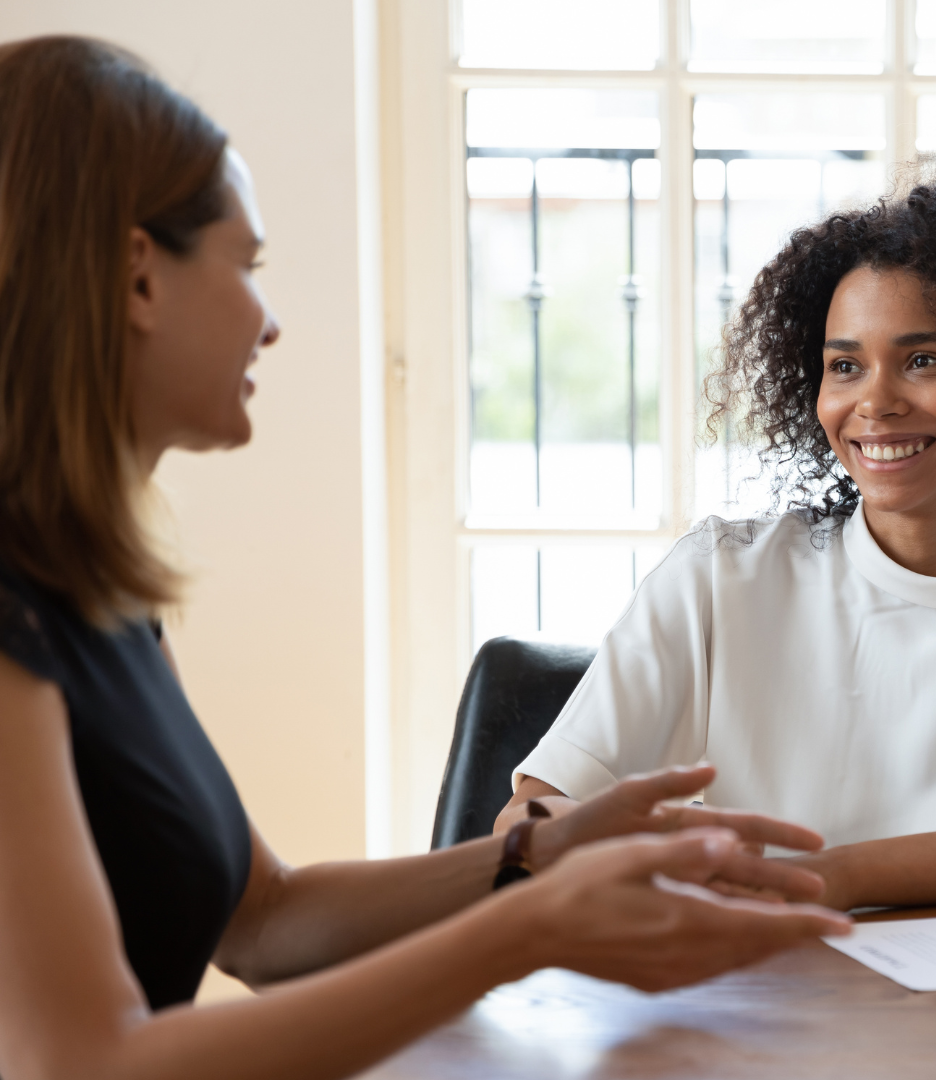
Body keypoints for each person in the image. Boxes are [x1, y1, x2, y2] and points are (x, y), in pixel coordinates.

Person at [0, 36, 850, 1080]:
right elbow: (79, 1062)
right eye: (247, 266)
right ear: (139, 277)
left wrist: (532, 859)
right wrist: (531, 931)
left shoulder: (88, 592)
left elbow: (264, 924)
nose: (267, 323)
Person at [500, 150, 936, 910]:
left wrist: (826, 876)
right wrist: (609, 844)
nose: (875, 403)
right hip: (777, 994)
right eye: (844, 366)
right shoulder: (722, 575)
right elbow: (535, 812)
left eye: (923, 360)